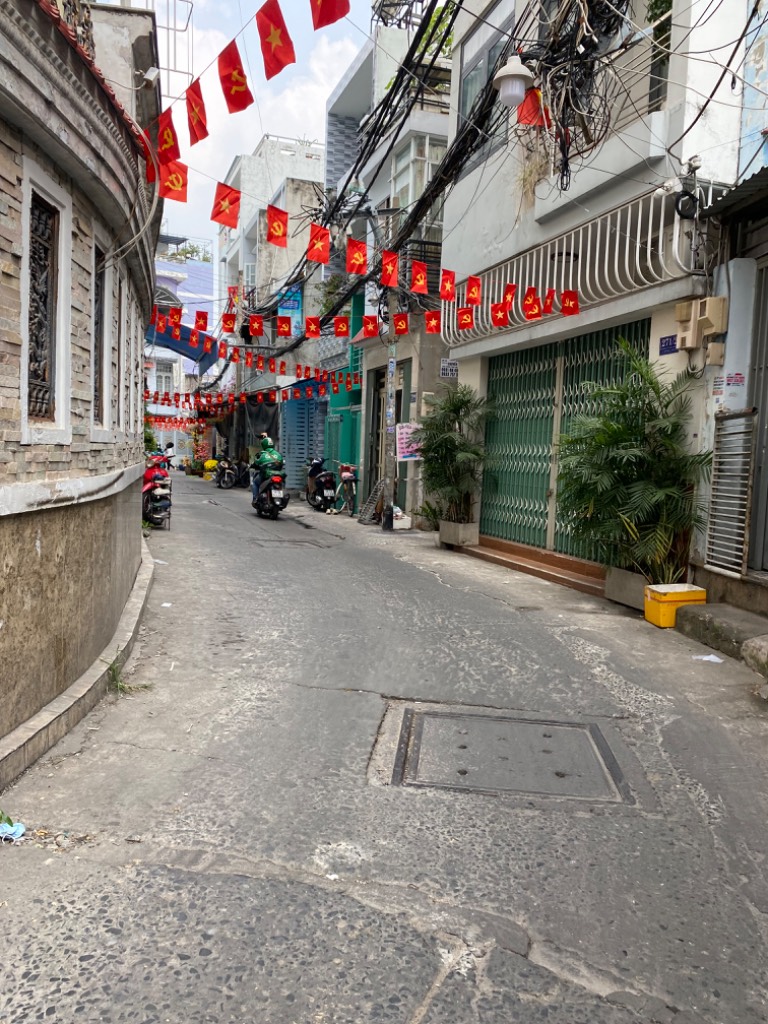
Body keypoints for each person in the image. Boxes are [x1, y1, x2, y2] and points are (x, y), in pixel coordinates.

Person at [251, 436, 283, 504]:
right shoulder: (278, 454)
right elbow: (281, 463)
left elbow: (256, 462)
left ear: (264, 445)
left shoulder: (262, 454)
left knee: (255, 483)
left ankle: (255, 499)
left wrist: (253, 465)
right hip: (277, 475)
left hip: (266, 475)